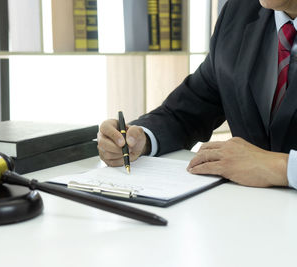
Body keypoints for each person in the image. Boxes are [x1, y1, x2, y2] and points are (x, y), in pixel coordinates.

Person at [97, 0, 297, 189]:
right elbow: (190, 109)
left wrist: (281, 168)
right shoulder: (239, 12)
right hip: (245, 211)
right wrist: (140, 139)